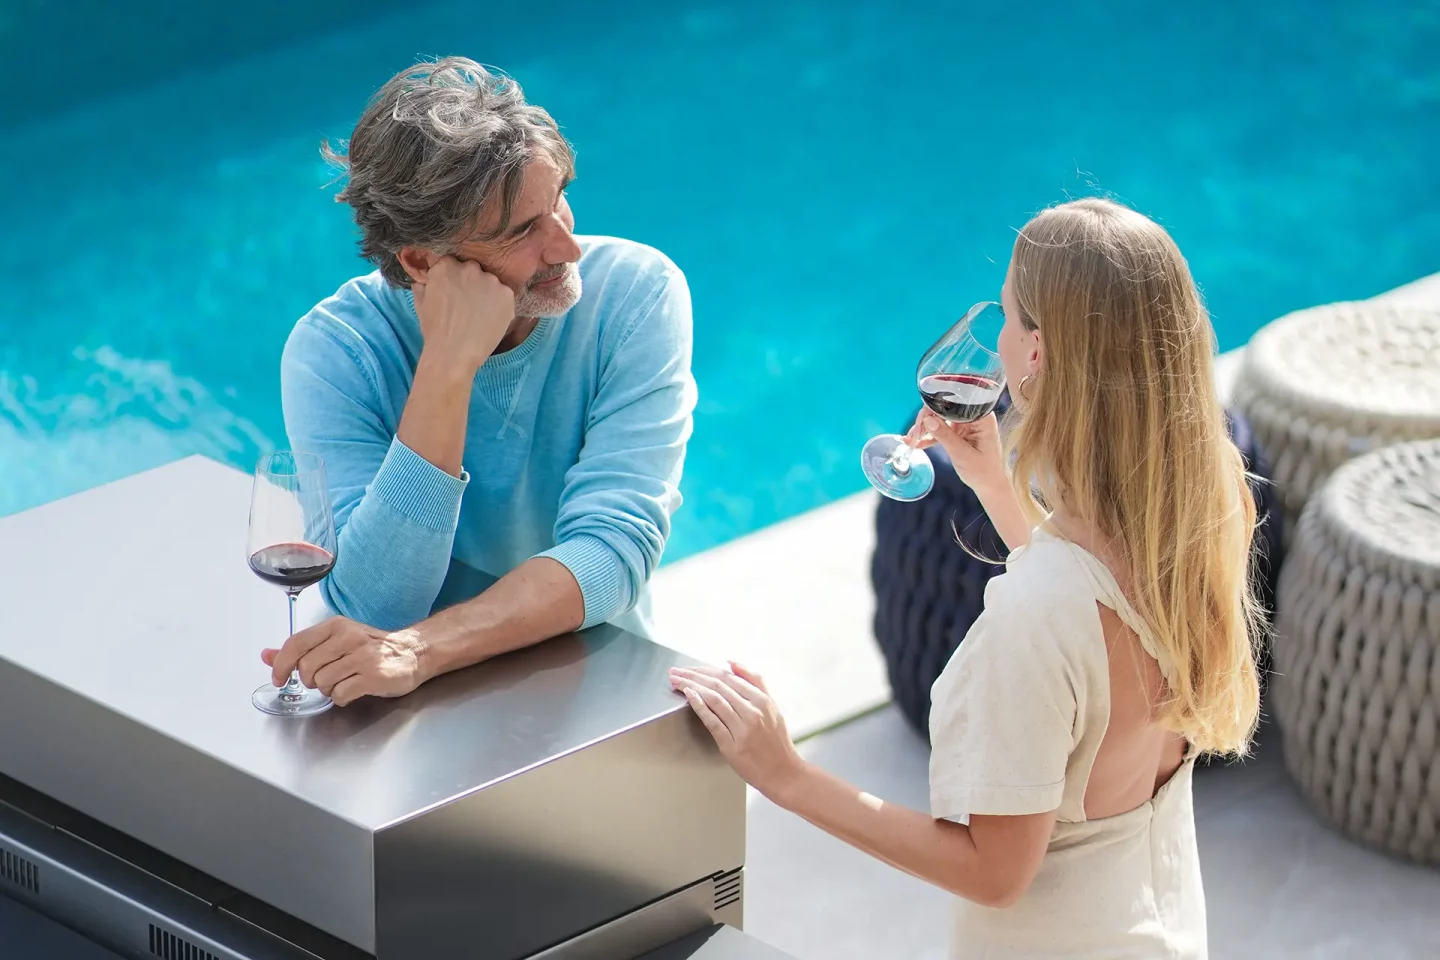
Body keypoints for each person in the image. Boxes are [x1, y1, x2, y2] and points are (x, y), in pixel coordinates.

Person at [671, 198, 1262, 958]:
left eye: (1009, 318)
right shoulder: (1201, 516)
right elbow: (1098, 626)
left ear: (1037, 355)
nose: (999, 337)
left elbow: (994, 873)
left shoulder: (1036, 615)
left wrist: (785, 775)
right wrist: (996, 487)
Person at [262, 57, 696, 707]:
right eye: (523, 231)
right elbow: (372, 601)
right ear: (420, 261)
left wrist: (422, 650)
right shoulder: (336, 352)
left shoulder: (635, 294)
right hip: (398, 715)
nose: (566, 248)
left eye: (559, 203)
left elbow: (614, 554)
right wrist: (448, 366)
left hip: (586, 689)